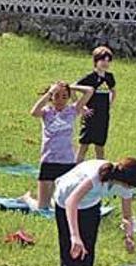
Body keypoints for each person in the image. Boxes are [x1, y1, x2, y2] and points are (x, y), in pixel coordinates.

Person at [23, 81, 94, 209]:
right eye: (56, 96)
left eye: (64, 96)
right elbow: (34, 112)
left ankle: (52, 200)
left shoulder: (73, 110)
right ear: (51, 97)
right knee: (41, 207)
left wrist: (70, 87)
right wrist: (51, 91)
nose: (60, 100)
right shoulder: (46, 112)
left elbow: (89, 90)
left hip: (67, 162)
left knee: (64, 204)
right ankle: (27, 198)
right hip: (48, 160)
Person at [77, 46, 117, 160]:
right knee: (84, 145)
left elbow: (113, 91)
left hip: (103, 116)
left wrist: (109, 104)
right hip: (90, 115)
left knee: (100, 146)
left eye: (108, 60)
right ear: (95, 61)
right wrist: (81, 107)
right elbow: (73, 88)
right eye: (102, 60)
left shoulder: (109, 77)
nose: (105, 63)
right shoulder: (90, 77)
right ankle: (75, 168)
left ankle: (101, 172)